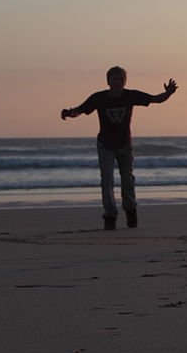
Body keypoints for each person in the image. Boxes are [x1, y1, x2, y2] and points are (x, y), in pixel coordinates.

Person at [61, 67, 178, 230]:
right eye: (114, 79)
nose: (117, 82)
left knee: (127, 180)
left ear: (125, 81)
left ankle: (130, 211)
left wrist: (168, 93)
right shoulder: (99, 98)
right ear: (108, 81)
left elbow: (155, 99)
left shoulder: (131, 96)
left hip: (125, 145)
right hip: (105, 145)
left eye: (120, 79)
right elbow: (80, 110)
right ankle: (110, 215)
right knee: (107, 181)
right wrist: (69, 113)